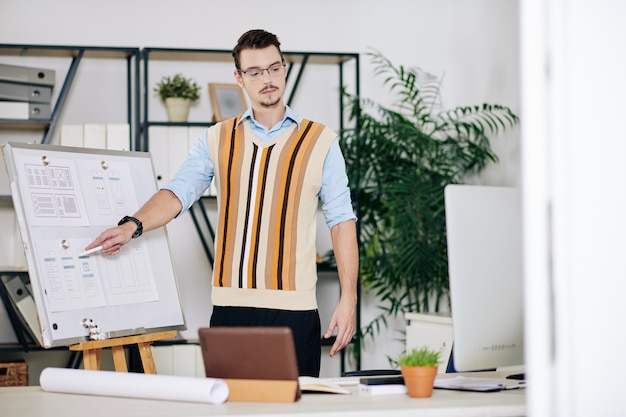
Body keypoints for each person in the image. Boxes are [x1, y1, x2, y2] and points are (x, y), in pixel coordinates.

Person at [84, 29, 358, 377]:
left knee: (293, 410)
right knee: (229, 407)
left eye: (274, 68)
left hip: (295, 311)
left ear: (284, 69)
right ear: (239, 78)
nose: (267, 79)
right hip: (231, 309)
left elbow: (341, 220)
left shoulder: (321, 140)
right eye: (255, 72)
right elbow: (178, 191)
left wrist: (348, 298)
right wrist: (131, 226)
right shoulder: (217, 137)